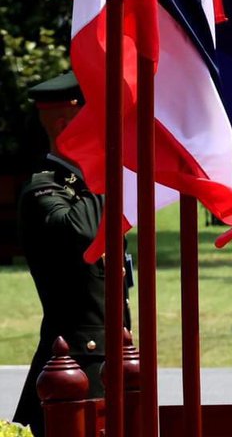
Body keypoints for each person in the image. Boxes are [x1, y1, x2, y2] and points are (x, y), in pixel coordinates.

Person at [12, 71, 128, 436]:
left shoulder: (86, 190)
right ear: (65, 126)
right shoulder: (42, 189)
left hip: (106, 366)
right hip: (73, 368)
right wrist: (103, 169)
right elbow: (80, 233)